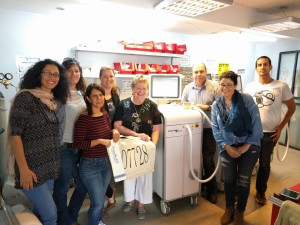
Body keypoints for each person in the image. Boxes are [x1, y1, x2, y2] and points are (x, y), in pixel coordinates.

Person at [8, 59, 69, 225]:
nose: (52, 77)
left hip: (48, 166)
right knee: (50, 215)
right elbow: (15, 135)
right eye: (47, 73)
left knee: (40, 212)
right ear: (38, 75)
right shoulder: (25, 98)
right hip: (31, 168)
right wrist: (24, 169)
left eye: (56, 74)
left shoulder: (50, 101)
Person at [211, 71, 263, 225]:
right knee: (229, 180)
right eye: (222, 85)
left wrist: (245, 146)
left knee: (244, 180)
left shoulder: (246, 100)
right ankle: (229, 208)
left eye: (229, 85)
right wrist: (226, 146)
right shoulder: (216, 104)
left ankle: (240, 210)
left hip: (250, 145)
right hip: (227, 146)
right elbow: (215, 129)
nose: (225, 88)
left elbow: (257, 126)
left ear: (235, 86)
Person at [244, 56, 296, 205]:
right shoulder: (250, 87)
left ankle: (260, 192)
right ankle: (242, 192)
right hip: (251, 133)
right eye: (259, 65)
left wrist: (280, 127)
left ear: (270, 67)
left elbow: (292, 107)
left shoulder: (281, 86)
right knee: (247, 164)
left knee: (265, 164)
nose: (262, 67)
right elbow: (245, 109)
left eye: (265, 64)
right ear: (256, 68)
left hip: (269, 134)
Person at [114, 74, 162, 220]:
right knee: (129, 175)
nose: (141, 91)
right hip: (128, 145)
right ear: (133, 89)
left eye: (144, 88)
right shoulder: (123, 104)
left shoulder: (152, 106)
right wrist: (136, 134)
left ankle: (142, 204)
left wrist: (152, 146)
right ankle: (129, 199)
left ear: (147, 90)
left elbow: (156, 129)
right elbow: (117, 126)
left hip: (146, 147)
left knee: (145, 176)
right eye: (138, 88)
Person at [74, 83, 120, 225]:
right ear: (88, 98)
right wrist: (99, 141)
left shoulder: (105, 114)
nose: (99, 98)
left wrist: (114, 132)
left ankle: (97, 221)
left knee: (99, 198)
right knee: (98, 202)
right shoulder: (84, 119)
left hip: (105, 163)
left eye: (100, 95)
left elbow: (108, 132)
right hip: (90, 165)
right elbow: (78, 144)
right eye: (94, 95)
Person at [53, 57, 87, 225]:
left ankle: (70, 218)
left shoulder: (83, 94)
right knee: (62, 188)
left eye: (77, 70)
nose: (74, 73)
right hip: (63, 147)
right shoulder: (57, 95)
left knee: (82, 186)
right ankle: (64, 221)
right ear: (63, 73)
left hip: (79, 148)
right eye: (69, 70)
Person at [181, 62, 219, 203]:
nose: (198, 75)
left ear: (206, 72)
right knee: (194, 159)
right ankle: (199, 186)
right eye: (196, 72)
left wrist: (207, 107)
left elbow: (222, 105)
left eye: (201, 71)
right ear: (192, 74)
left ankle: (212, 190)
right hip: (193, 131)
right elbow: (182, 105)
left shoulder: (214, 87)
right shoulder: (188, 88)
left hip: (208, 130)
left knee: (207, 161)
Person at [99, 66, 120, 217]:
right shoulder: (96, 95)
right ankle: (109, 193)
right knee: (99, 173)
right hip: (100, 138)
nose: (108, 79)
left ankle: (109, 196)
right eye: (105, 76)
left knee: (107, 172)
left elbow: (117, 117)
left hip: (113, 138)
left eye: (111, 76)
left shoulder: (115, 94)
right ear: (100, 78)